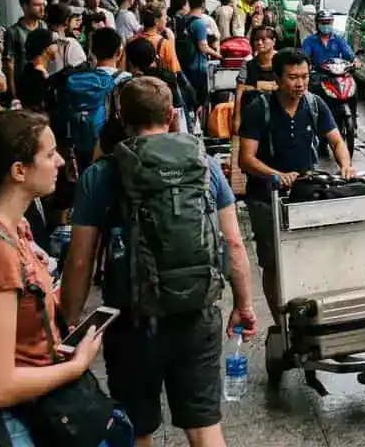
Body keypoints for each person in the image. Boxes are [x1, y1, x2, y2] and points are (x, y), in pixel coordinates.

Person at [62, 76, 256, 447]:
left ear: (121, 116)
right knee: (204, 426)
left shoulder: (100, 175)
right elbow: (233, 242)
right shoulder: (206, 165)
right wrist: (243, 305)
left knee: (137, 428)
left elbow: (80, 262)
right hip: (197, 313)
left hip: (132, 318)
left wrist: (70, 323)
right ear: (170, 115)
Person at [0, 110, 127, 447]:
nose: (61, 163)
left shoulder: (17, 228)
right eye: (50, 154)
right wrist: (76, 365)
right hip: (14, 423)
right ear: (19, 171)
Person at [236, 48, 354, 328]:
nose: (299, 83)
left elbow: (336, 141)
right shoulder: (259, 109)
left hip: (304, 196)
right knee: (273, 264)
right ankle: (281, 325)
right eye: (292, 77)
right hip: (265, 198)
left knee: (308, 257)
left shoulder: (315, 104)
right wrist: (276, 174)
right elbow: (246, 159)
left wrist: (345, 165)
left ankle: (309, 317)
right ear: (277, 79)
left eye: (304, 76)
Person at [4, 0, 46, 103]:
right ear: (24, 7)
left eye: (43, 5)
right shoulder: (13, 32)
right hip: (24, 87)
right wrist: (14, 95)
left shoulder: (45, 27)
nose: (42, 8)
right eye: (37, 5)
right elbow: (9, 65)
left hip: (46, 84)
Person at [234, 25, 277, 134]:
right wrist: (237, 118)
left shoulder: (282, 61)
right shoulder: (248, 63)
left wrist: (256, 86)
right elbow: (240, 91)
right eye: (256, 40)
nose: (259, 43)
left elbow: (283, 86)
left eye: (263, 39)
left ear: (273, 41)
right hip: (252, 112)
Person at [14, 28, 58, 114]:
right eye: (55, 43)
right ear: (47, 48)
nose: (58, 47)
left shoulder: (32, 71)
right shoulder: (35, 77)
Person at [44, 2, 87, 75]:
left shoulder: (42, 37)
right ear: (67, 20)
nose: (79, 22)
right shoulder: (69, 42)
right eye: (76, 18)